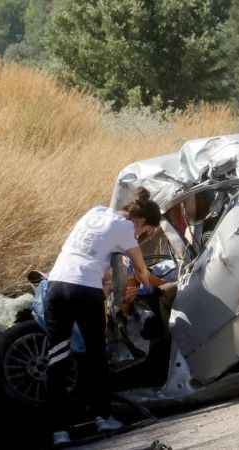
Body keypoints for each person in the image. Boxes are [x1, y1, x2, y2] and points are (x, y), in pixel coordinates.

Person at [46, 187, 161, 443]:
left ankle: (58, 431)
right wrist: (149, 288)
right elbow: (141, 269)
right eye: (145, 232)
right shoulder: (125, 228)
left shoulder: (95, 212)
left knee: (57, 360)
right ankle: (103, 418)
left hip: (55, 287)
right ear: (141, 221)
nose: (141, 236)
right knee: (96, 356)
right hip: (85, 290)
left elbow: (94, 253)